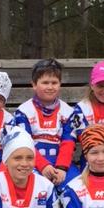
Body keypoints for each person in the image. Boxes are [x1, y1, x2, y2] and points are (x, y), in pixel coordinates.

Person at [15, 58, 78, 187]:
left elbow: (68, 142)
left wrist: (62, 167)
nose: (50, 87)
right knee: (38, 187)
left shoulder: (68, 112)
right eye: (45, 83)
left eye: (54, 82)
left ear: (60, 84)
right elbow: (25, 143)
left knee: (77, 186)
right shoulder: (23, 111)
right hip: (32, 162)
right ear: (34, 84)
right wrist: (43, 166)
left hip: (61, 163)